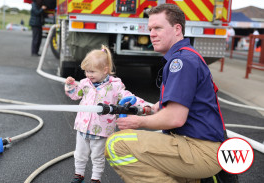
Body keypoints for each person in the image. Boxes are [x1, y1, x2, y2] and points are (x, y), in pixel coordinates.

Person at [104, 4, 226, 183]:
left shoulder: (181, 62)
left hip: (199, 150)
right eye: (150, 29)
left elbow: (175, 118)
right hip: (196, 146)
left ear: (177, 29)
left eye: (158, 28)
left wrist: (138, 121)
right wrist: (151, 109)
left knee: (116, 145)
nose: (151, 34)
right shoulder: (187, 57)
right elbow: (177, 105)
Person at [65, 45, 151, 183]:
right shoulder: (85, 83)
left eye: (92, 71)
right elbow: (75, 95)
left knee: (97, 156)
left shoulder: (115, 86)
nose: (88, 75)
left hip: (101, 130)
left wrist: (142, 105)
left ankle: (95, 178)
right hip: (83, 127)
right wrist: (70, 86)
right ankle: (78, 175)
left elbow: (127, 96)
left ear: (105, 70)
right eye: (86, 71)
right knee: (80, 154)